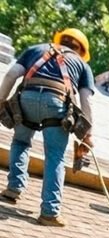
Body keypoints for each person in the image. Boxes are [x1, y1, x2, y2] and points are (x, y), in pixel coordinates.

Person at [0, 28, 95, 227]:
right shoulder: (82, 65)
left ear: (60, 40)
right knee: (55, 156)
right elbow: (86, 101)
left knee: (20, 141)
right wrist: (87, 134)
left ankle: (14, 188)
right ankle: (49, 213)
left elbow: (11, 75)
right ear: (81, 50)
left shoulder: (36, 49)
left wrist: (1, 102)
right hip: (56, 105)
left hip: (27, 100)